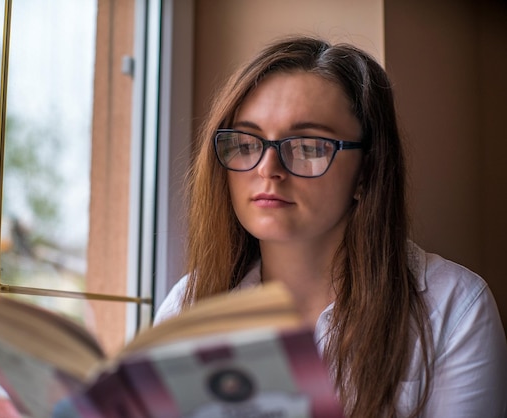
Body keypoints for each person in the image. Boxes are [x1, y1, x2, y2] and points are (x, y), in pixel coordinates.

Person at [154, 36, 507, 418]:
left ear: (366, 171)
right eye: (245, 142)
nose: (267, 169)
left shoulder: (454, 307)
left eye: (308, 146)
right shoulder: (188, 306)